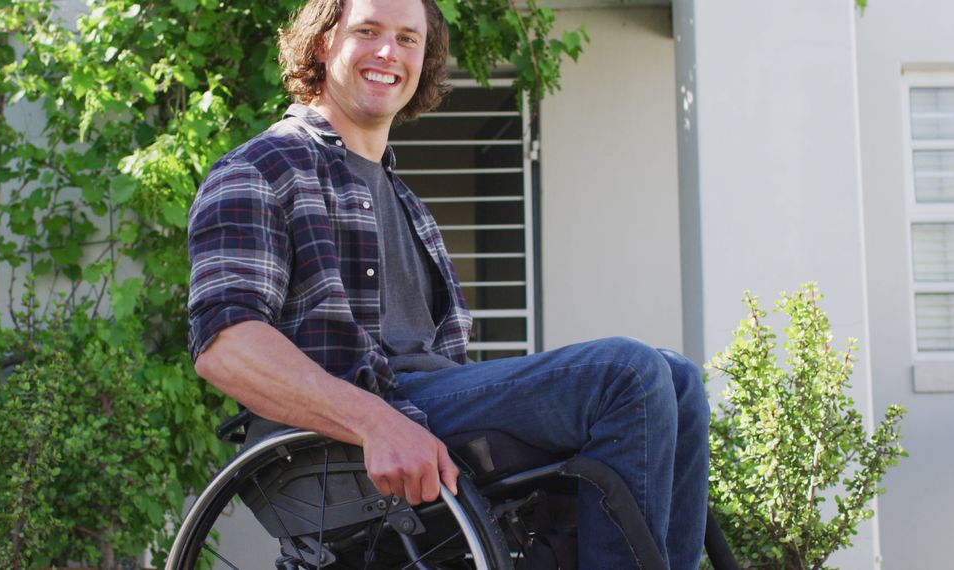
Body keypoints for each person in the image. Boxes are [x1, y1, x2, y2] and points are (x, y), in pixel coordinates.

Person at [186, 0, 709, 567]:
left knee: (677, 379)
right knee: (626, 374)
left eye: (408, 39)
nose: (389, 52)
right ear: (321, 44)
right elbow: (226, 347)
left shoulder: (409, 205)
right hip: (344, 445)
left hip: (431, 412)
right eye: (368, 31)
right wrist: (375, 421)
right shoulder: (261, 168)